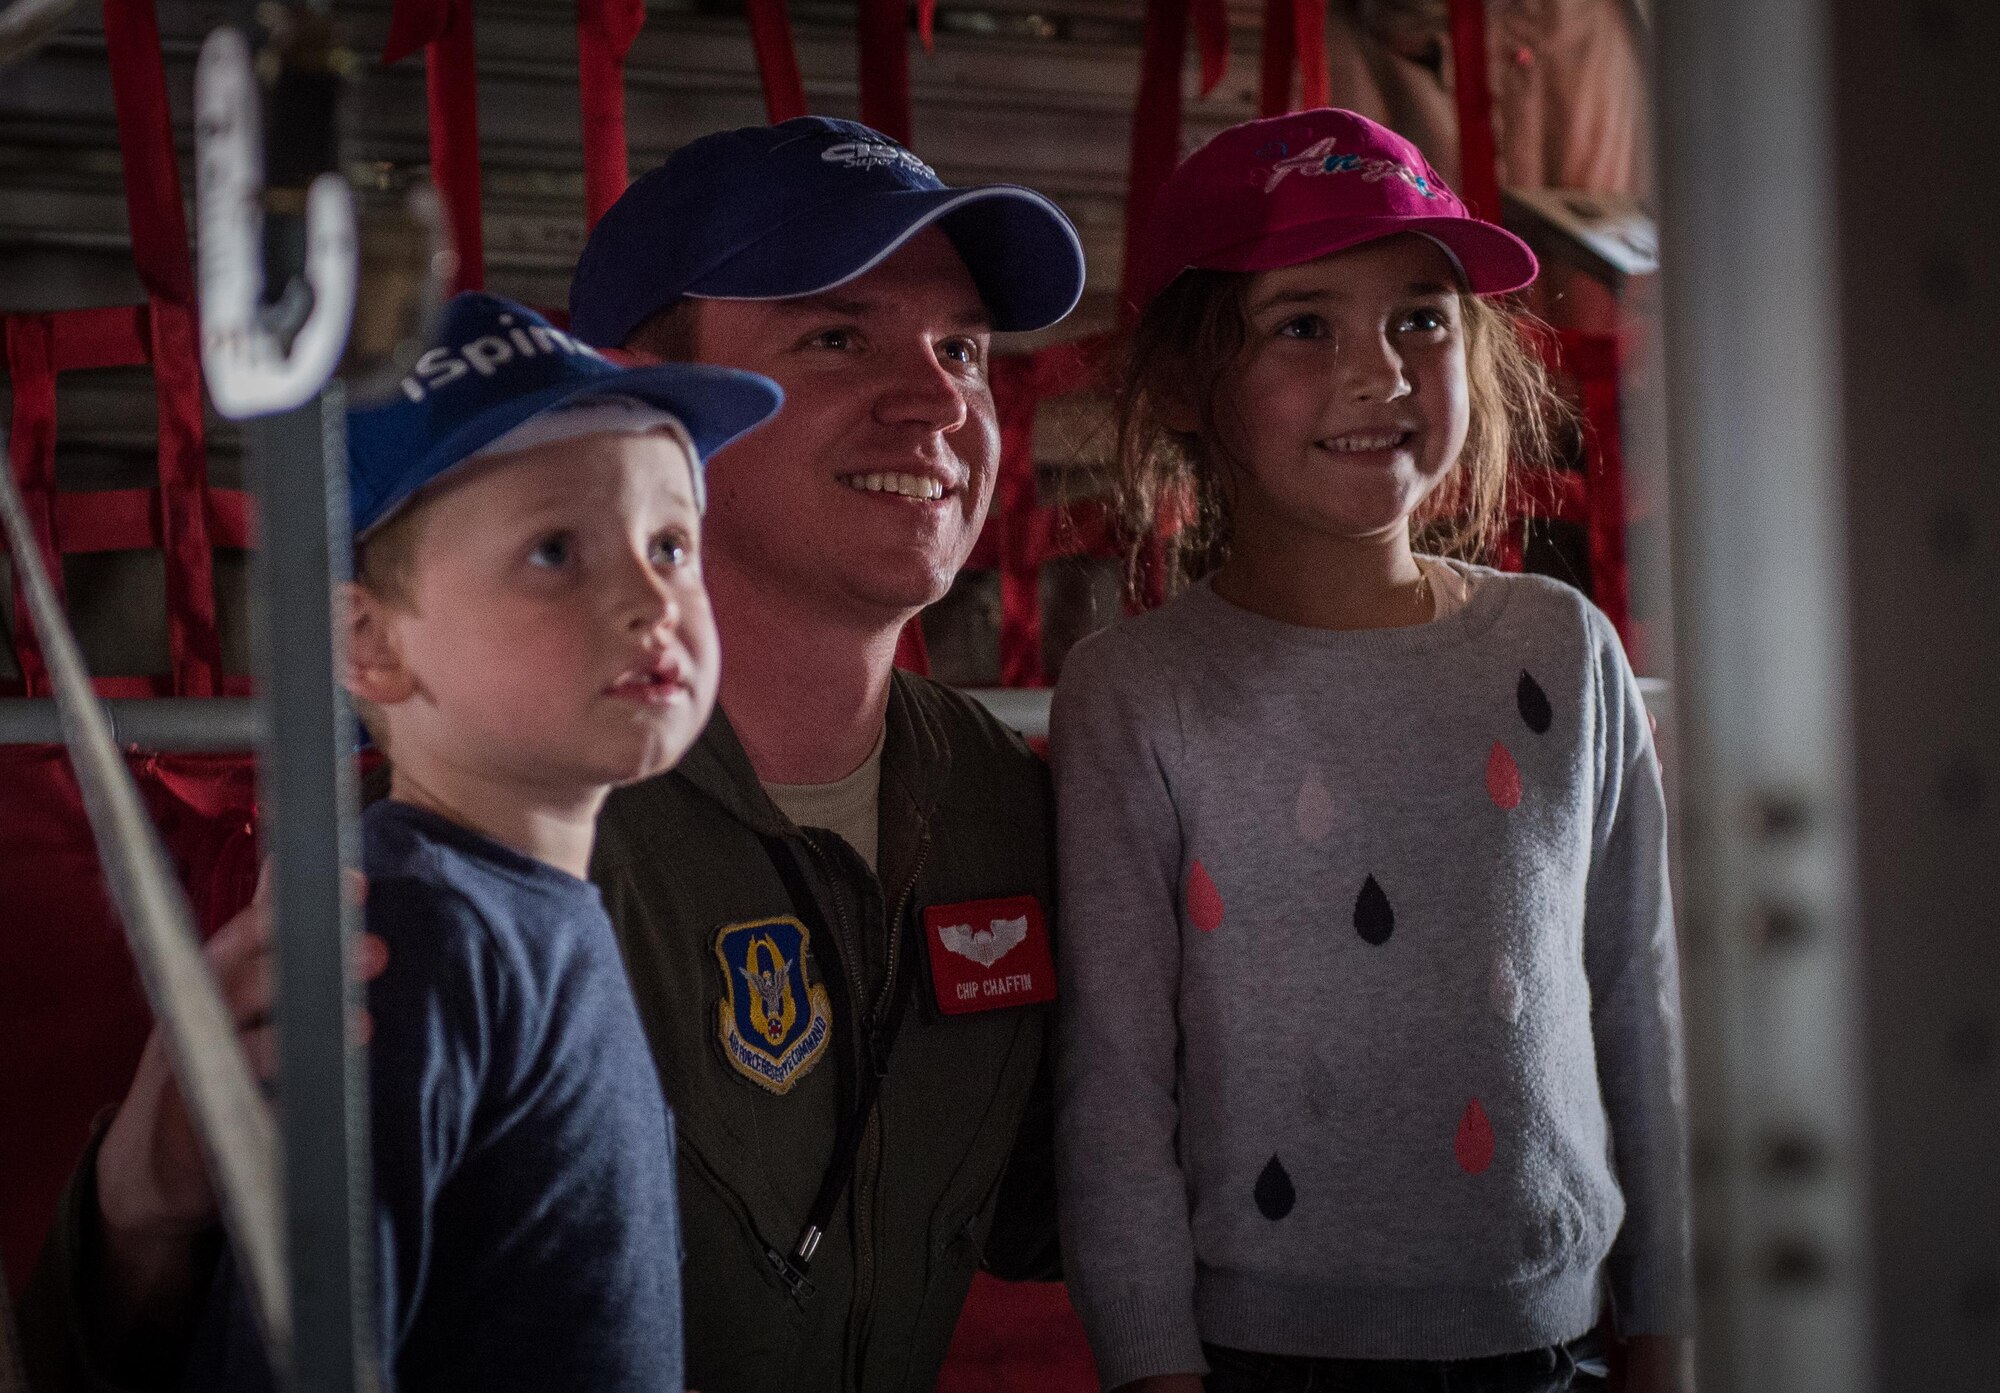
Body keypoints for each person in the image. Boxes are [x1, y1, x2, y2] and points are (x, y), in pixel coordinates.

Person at [22, 118, 1085, 1393]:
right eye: (836, 336)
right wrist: (137, 1213)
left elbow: (1069, 1211)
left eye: (961, 347)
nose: (936, 399)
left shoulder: (1001, 801)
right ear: (623, 399)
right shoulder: (452, 863)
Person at [1050, 108, 1689, 1393]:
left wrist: (1671, 1330)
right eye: (1302, 324)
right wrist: (1151, 1367)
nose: (1381, 373)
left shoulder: (1563, 647)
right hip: (1260, 1358)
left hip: (1553, 1347)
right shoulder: (1136, 689)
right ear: (1181, 381)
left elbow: (1641, 1007)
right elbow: (1113, 1088)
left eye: (1421, 318)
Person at [187, 291, 782, 1392]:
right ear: (365, 643)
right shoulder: (408, 941)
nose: (652, 597)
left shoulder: (525, 905)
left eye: (670, 542)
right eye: (556, 551)